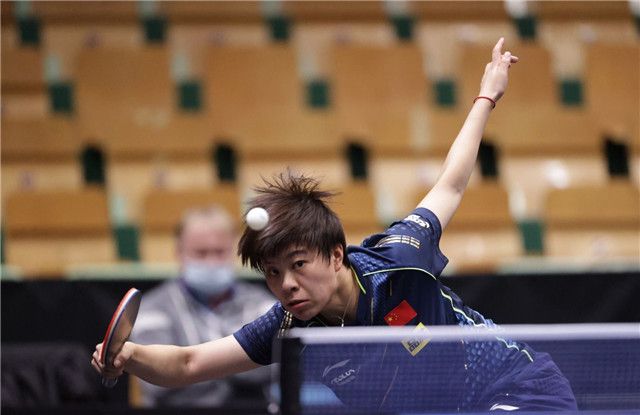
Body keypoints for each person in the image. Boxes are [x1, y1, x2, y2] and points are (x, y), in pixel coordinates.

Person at [92, 38, 577, 412]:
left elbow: (449, 186)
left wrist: (486, 96)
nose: (286, 285)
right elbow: (190, 363)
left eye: (298, 265)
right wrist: (128, 355)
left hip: (520, 390)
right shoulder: (289, 324)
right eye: (272, 273)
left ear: (336, 254)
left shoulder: (397, 260)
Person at [129, 205, 275, 407]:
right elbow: (156, 380)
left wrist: (188, 364)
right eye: (201, 253)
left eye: (219, 252)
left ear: (234, 251)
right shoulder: (152, 308)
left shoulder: (262, 303)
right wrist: (241, 357)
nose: (211, 261)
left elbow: (278, 365)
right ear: (179, 253)